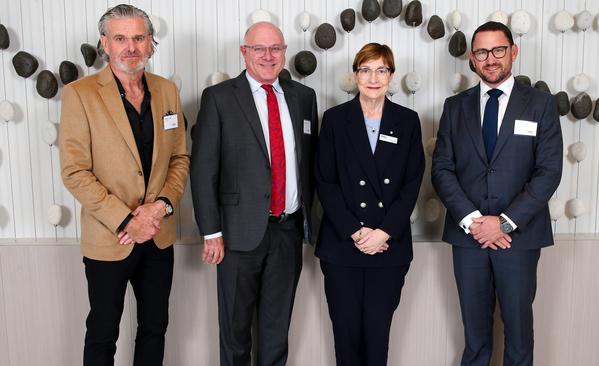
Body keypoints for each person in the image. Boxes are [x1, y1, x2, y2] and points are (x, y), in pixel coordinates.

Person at [59, 4, 189, 366]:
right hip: (110, 238)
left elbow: (179, 159)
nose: (130, 47)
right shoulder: (80, 94)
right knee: (103, 332)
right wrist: (127, 218)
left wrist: (160, 207)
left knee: (154, 327)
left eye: (138, 38)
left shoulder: (166, 91)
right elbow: (75, 171)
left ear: (150, 43)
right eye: (120, 38)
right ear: (105, 43)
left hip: (158, 234)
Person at [431, 21, 563, 366]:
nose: (490, 59)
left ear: (513, 52)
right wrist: (475, 221)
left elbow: (548, 173)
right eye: (481, 52)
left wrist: (504, 223)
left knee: (519, 335)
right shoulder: (455, 107)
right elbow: (442, 169)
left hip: (519, 238)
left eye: (498, 50)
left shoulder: (541, 105)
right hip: (468, 238)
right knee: (475, 336)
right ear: (472, 59)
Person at [190, 21, 318, 366]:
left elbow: (309, 165)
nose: (268, 56)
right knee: (234, 333)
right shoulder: (218, 98)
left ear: (285, 52)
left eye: (275, 48)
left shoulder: (303, 97)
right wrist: (211, 232)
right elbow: (203, 170)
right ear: (244, 52)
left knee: (276, 333)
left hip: (287, 232)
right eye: (259, 48)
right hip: (235, 235)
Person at [315, 43, 425, 366]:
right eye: (365, 70)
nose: (373, 78)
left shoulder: (408, 121)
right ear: (355, 75)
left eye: (381, 70)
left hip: (388, 249)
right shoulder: (334, 120)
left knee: (378, 340)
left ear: (391, 75)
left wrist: (383, 233)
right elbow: (326, 182)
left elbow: (412, 183)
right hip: (343, 248)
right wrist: (356, 231)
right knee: (346, 341)